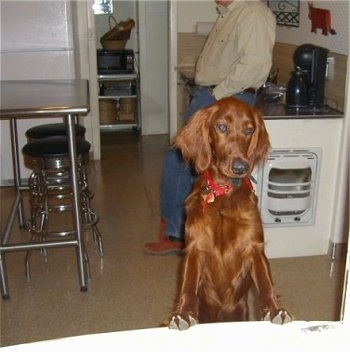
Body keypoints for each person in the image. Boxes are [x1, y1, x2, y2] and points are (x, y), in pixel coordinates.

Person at [144, 0, 276, 255]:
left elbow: (255, 65)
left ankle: (200, 233)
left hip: (228, 100)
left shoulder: (253, 12)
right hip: (216, 97)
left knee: (207, 166)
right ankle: (183, 229)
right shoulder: (231, 13)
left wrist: (215, 95)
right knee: (188, 160)